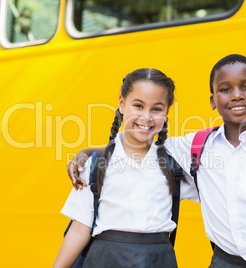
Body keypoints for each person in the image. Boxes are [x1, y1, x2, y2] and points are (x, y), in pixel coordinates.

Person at [68, 55, 246, 267]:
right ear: (213, 101)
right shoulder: (197, 147)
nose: (236, 96)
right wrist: (89, 153)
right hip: (224, 261)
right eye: (225, 90)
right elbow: (139, 140)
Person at [53, 68, 199, 268]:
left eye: (156, 109)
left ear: (166, 112)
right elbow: (80, 228)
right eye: (138, 105)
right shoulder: (96, 165)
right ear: (122, 104)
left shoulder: (175, 161)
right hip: (105, 260)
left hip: (159, 260)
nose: (146, 117)